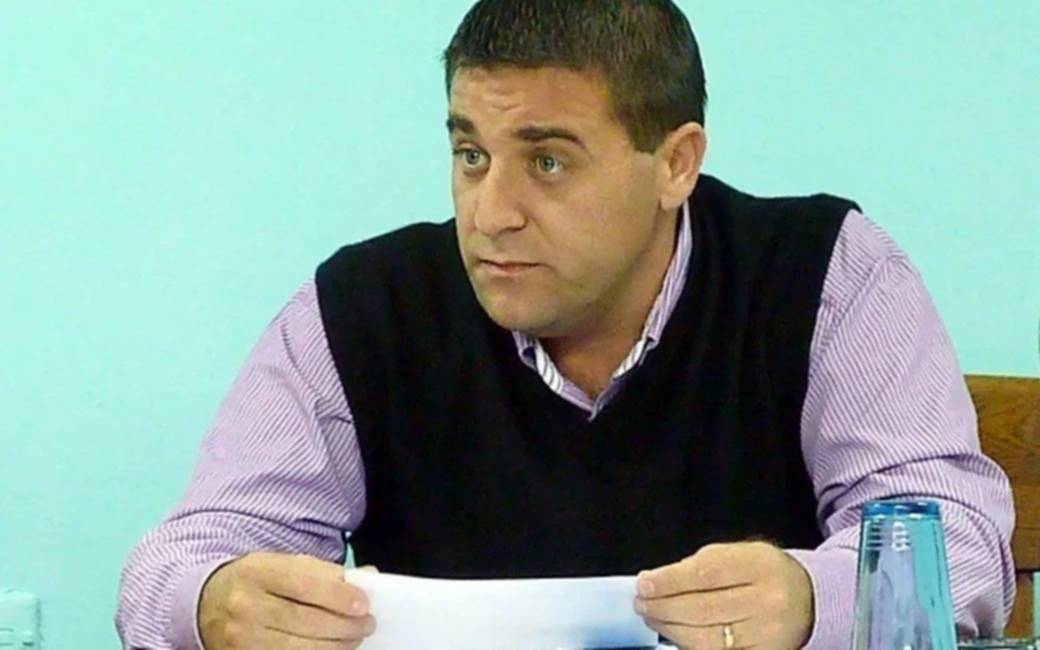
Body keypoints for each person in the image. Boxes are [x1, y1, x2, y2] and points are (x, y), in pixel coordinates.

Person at [116, 1, 1016, 648]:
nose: (490, 213)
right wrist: (215, 601)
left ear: (675, 164)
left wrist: (811, 600)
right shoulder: (364, 307)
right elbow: (176, 561)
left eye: (546, 161)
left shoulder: (827, 276)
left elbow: (956, 544)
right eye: (471, 154)